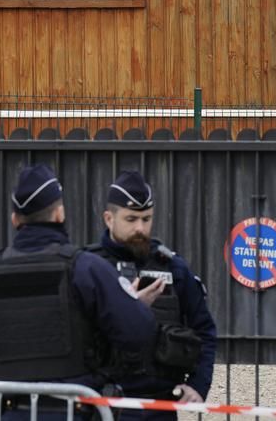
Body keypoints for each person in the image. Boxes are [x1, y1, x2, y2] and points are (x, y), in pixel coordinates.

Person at [0, 164, 160, 420]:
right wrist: (133, 305)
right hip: (75, 412)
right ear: (60, 214)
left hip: (15, 412)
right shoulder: (87, 269)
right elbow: (140, 333)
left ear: (15, 219)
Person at [85, 171, 217, 417]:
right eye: (131, 219)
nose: (140, 228)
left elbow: (205, 330)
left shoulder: (172, 267)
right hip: (103, 405)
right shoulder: (88, 268)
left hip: (160, 406)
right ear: (108, 219)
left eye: (147, 219)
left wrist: (198, 385)